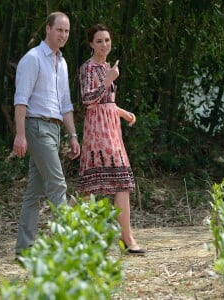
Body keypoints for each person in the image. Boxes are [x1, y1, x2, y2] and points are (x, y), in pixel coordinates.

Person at [13, 12, 81, 256]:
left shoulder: (61, 63)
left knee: (34, 192)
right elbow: (21, 101)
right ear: (48, 29)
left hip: (54, 129)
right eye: (59, 30)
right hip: (36, 127)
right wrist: (20, 136)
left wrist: (73, 136)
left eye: (67, 31)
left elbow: (65, 104)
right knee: (58, 185)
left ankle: (24, 249)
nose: (63, 35)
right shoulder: (32, 59)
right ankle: (68, 248)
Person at [78, 24, 145, 255]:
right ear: (91, 44)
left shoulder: (107, 66)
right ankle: (78, 237)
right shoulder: (88, 68)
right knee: (92, 186)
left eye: (107, 40)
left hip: (112, 128)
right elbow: (87, 100)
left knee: (121, 182)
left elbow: (107, 103)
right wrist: (108, 80)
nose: (104, 44)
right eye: (99, 41)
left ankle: (126, 237)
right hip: (97, 132)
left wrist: (122, 112)